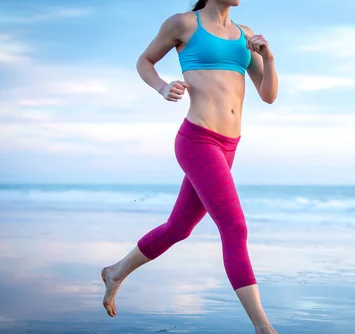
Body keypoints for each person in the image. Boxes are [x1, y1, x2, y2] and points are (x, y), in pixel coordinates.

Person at [101, 0, 279, 333]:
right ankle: (263, 327)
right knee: (235, 229)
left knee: (179, 228)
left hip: (229, 146)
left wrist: (268, 57)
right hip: (198, 141)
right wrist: (163, 86)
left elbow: (268, 95)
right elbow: (144, 61)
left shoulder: (246, 35)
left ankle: (115, 271)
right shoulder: (184, 24)